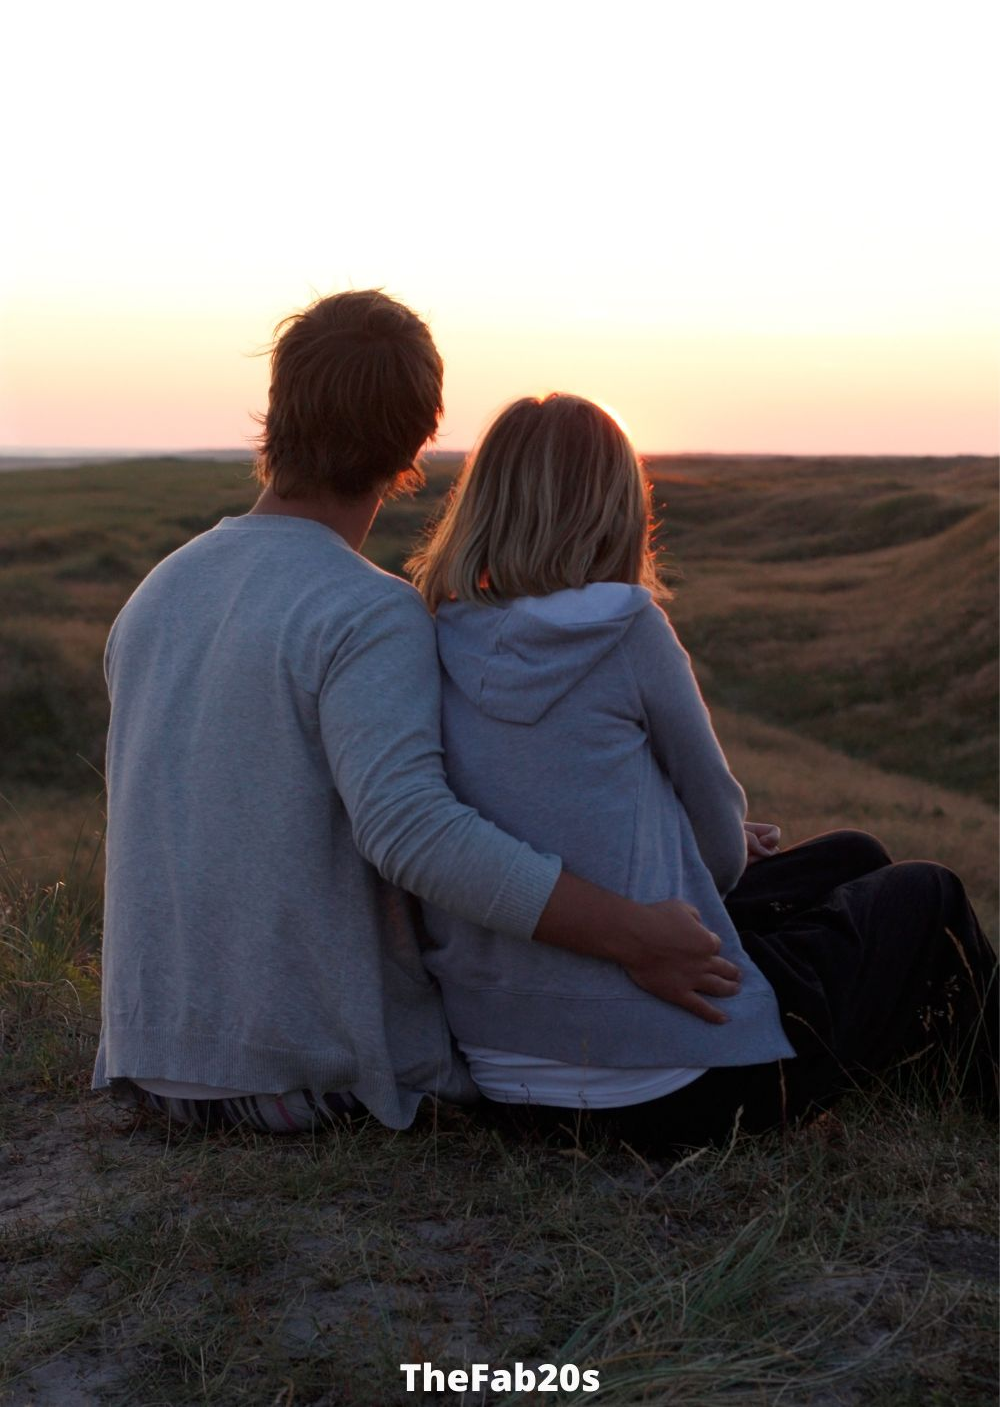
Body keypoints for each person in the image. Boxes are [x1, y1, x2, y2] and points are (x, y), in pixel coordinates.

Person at [93, 292, 744, 1137]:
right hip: (303, 1072)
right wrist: (633, 935)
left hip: (152, 1063)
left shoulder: (158, 593)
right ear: (415, 445)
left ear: (276, 411)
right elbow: (411, 830)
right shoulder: (367, 611)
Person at [408, 393, 998, 1153]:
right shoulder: (625, 626)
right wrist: (709, 848)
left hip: (503, 1073)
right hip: (666, 1085)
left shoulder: (438, 630)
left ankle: (925, 1079)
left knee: (852, 857)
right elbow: (720, 851)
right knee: (929, 895)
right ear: (615, 507)